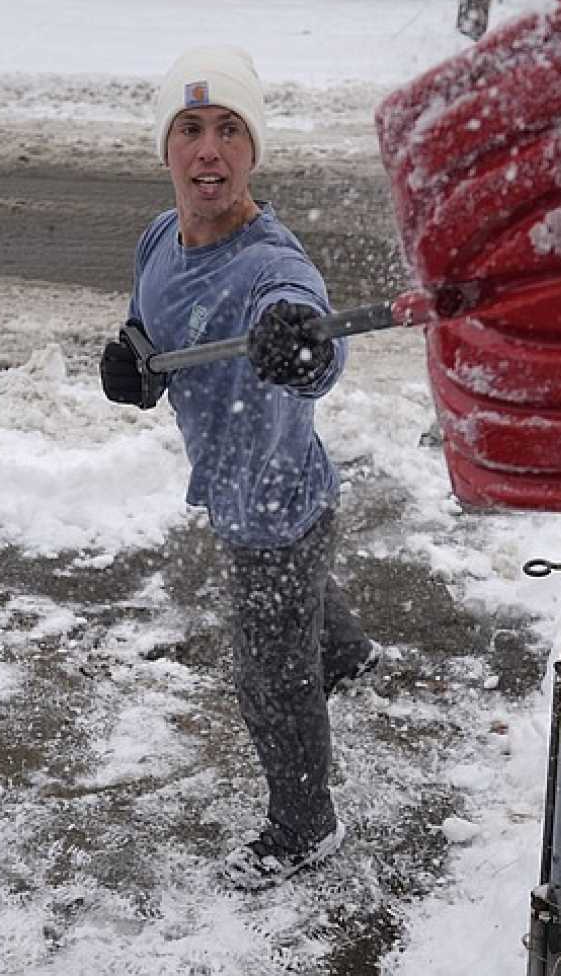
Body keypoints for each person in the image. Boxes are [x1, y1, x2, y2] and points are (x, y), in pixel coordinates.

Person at [98, 45, 380, 890]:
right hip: (245, 480)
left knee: (268, 675)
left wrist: (299, 348)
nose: (207, 149)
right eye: (189, 129)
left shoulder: (271, 264)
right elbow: (150, 328)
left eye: (229, 130)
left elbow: (309, 334)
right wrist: (131, 361)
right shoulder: (159, 235)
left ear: (253, 152)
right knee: (300, 612)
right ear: (167, 150)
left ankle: (303, 825)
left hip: (273, 507)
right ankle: (350, 652)